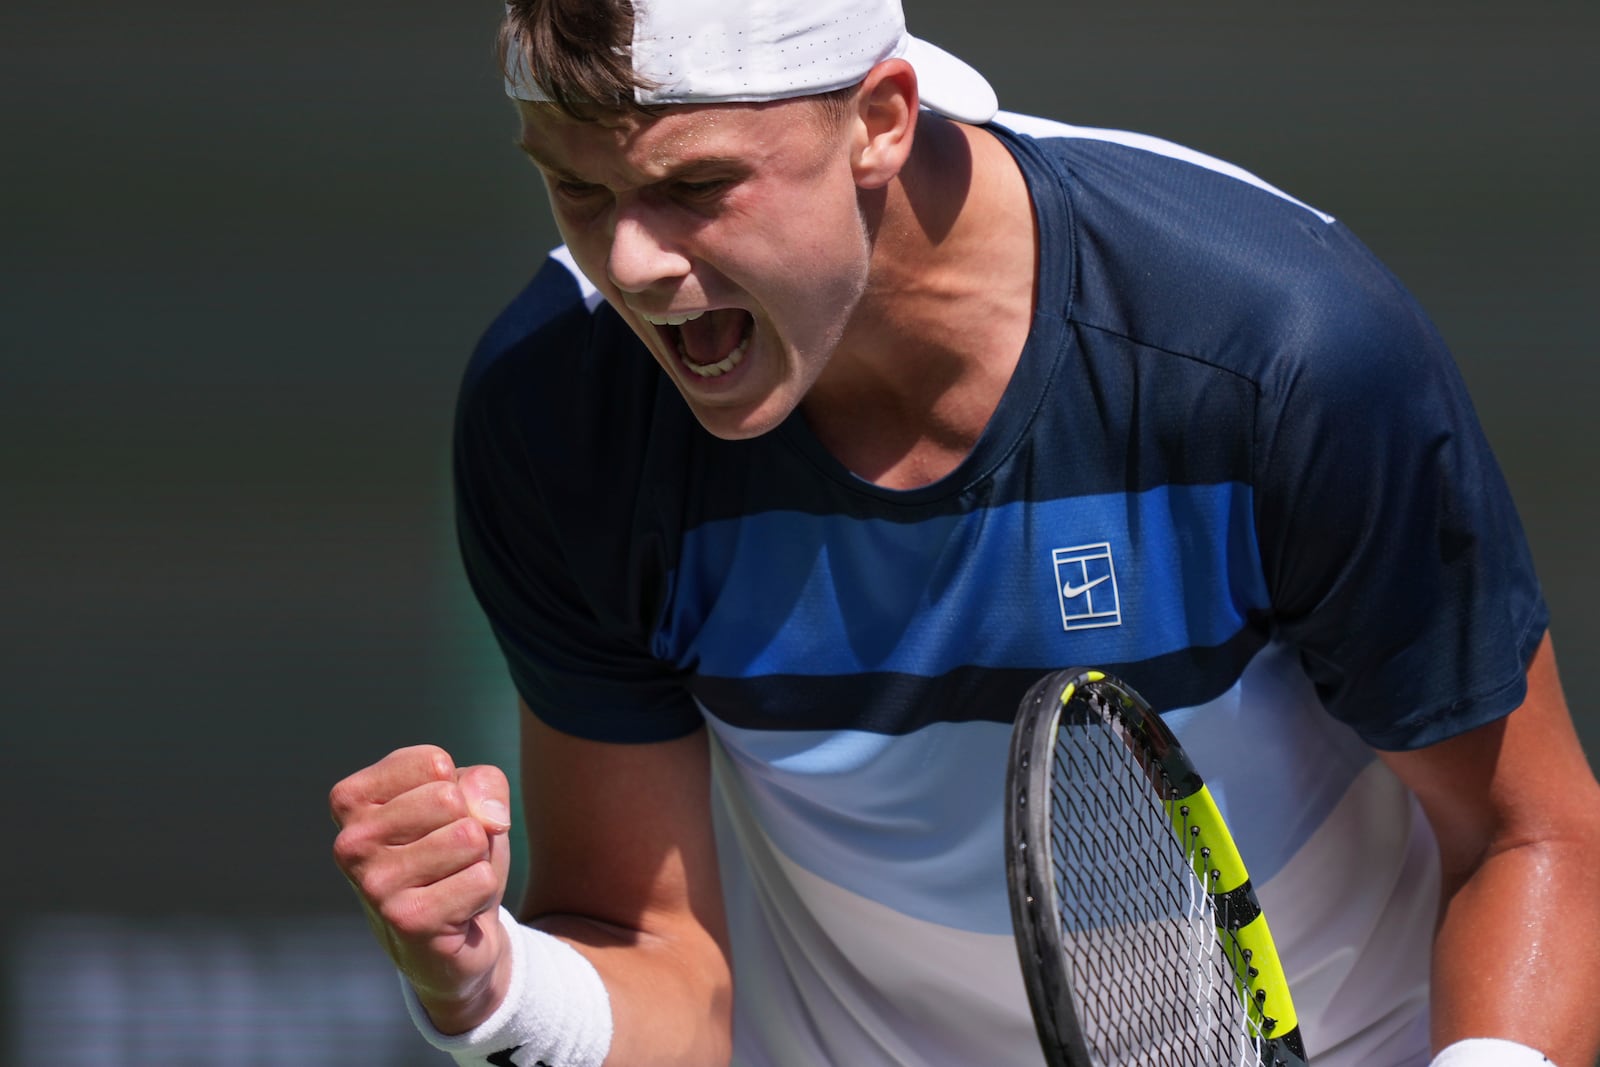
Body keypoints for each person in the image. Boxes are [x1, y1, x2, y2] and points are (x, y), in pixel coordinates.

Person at [329, 0, 1600, 1064]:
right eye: (574, 187)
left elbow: (1533, 837)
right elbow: (664, 960)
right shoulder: (561, 408)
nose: (634, 262)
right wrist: (489, 981)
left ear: (880, 120)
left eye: (696, 186)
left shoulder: (1277, 350)